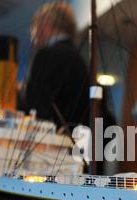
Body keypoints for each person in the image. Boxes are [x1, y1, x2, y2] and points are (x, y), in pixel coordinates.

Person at [21, 2, 90, 130]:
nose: (32, 33)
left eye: (34, 26)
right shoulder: (78, 58)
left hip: (50, 142)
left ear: (44, 23)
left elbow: (37, 110)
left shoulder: (46, 55)